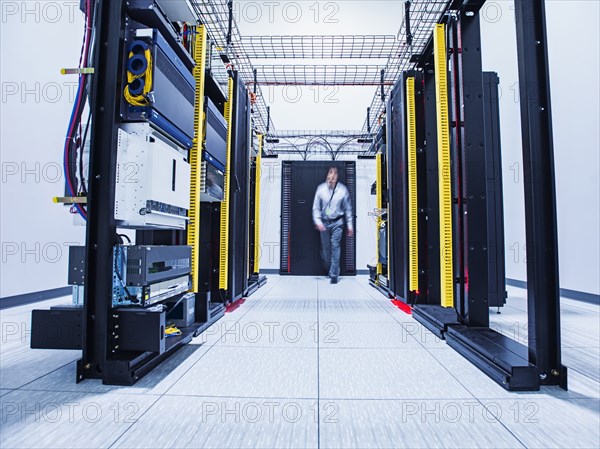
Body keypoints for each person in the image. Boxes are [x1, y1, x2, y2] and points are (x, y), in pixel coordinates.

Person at [312, 166, 353, 284]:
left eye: (335, 173)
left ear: (337, 176)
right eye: (331, 172)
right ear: (327, 174)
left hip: (338, 222)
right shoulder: (321, 189)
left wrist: (350, 225)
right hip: (324, 223)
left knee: (335, 247)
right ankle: (330, 269)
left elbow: (348, 209)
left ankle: (334, 274)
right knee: (326, 250)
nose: (332, 175)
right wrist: (318, 222)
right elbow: (316, 208)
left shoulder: (342, 190)